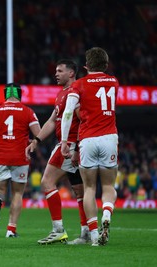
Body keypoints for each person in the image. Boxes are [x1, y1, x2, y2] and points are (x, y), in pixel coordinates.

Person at [25, 59, 89, 245]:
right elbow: (52, 121)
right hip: (70, 145)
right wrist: (36, 140)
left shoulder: (76, 92)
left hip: (68, 145)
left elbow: (82, 120)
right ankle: (86, 232)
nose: (56, 74)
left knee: (47, 181)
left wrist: (76, 146)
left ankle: (58, 230)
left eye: (60, 71)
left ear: (71, 73)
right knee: (79, 191)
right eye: (56, 71)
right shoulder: (62, 94)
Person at [61, 47, 119, 246]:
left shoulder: (78, 85)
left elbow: (68, 113)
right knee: (109, 186)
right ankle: (107, 215)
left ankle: (94, 236)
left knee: (89, 188)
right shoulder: (114, 81)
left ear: (86, 66)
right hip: (109, 137)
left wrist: (64, 142)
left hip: (88, 139)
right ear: (106, 65)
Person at [0, 82, 41, 237]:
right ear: (19, 94)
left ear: (5, 94)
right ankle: (11, 230)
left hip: (0, 157)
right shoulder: (27, 111)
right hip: (20, 158)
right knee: (17, 194)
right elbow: (39, 134)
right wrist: (33, 145)